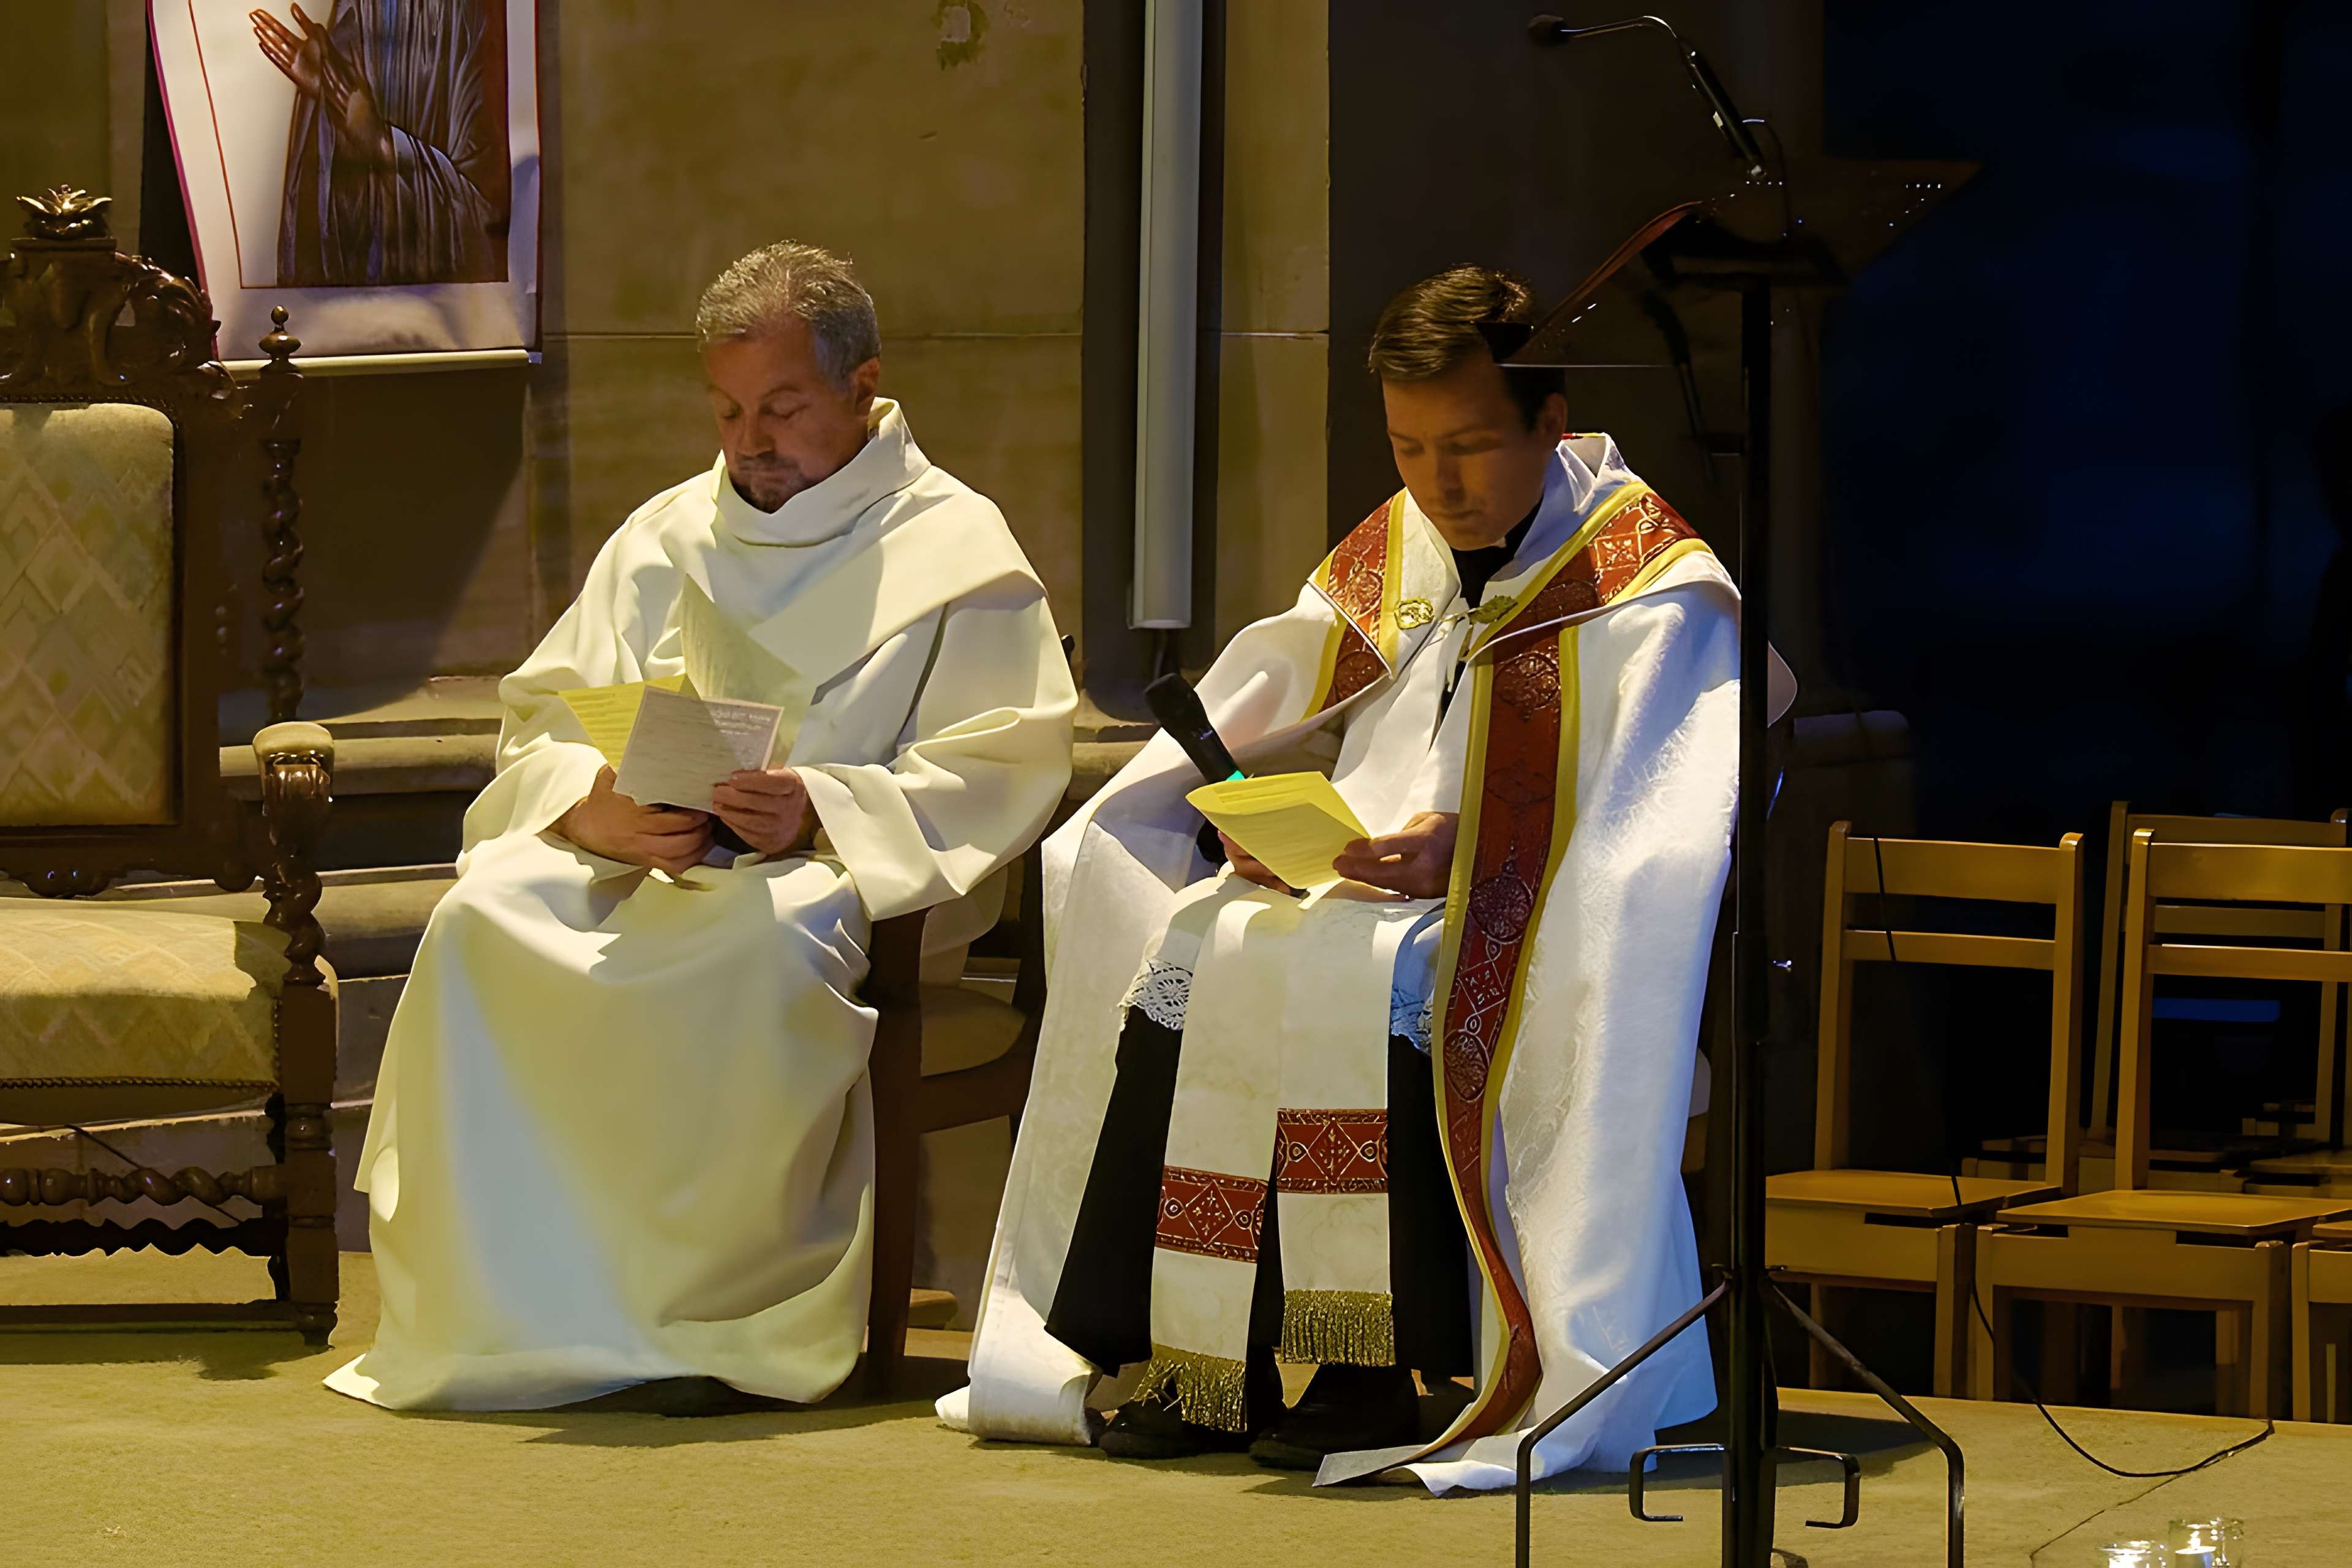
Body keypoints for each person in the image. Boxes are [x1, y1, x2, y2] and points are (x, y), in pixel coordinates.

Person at [942, 265, 1790, 1490]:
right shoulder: (1402, 546)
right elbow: (1284, 695)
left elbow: (1655, 827)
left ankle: (1365, 1364)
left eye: (1471, 445)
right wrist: (1249, 809)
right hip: (1368, 886)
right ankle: (1201, 1352)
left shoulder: (1649, 582)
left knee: (1362, 967)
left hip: (1532, 928)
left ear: (1554, 422)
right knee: (1206, 936)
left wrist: (1483, 852)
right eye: (1407, 447)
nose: (1438, 484)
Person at [326, 243, 1075, 1411]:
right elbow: (545, 716)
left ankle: (713, 1323)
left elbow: (1002, 761)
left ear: (862, 387)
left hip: (836, 879)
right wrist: (592, 807)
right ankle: (516, 1307)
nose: (748, 442)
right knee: (483, 916)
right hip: (649, 858)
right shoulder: (668, 535)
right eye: (727, 411)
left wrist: (822, 804)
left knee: (753, 949)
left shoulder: (958, 551)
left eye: (782, 408)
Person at [252, 0, 510, 285]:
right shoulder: (358, 10)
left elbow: (489, 230)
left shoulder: (472, 19)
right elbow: (326, 242)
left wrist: (381, 144)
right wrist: (328, 107)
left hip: (439, 318)